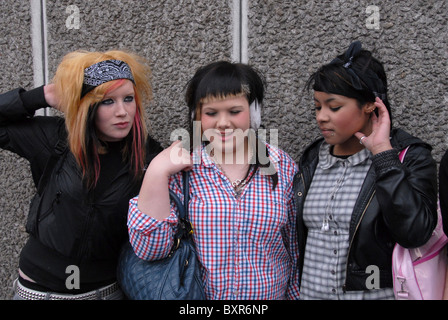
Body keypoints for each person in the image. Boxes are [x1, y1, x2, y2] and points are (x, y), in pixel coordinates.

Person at [127, 61, 300, 299]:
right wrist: (157, 171)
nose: (223, 123)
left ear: (254, 112)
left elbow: (294, 249)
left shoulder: (283, 166)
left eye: (234, 111)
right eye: (211, 113)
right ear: (196, 116)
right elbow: (150, 250)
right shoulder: (181, 169)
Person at [0, 50, 162, 300]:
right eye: (108, 101)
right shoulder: (56, 141)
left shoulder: (148, 156)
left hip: (105, 292)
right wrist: (42, 95)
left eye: (128, 99)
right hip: (38, 292)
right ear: (88, 106)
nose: (122, 111)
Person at [294, 41, 438, 299]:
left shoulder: (409, 156)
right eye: (317, 107)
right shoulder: (312, 158)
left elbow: (415, 232)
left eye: (333, 107)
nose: (321, 117)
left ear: (371, 105)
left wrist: (383, 154)